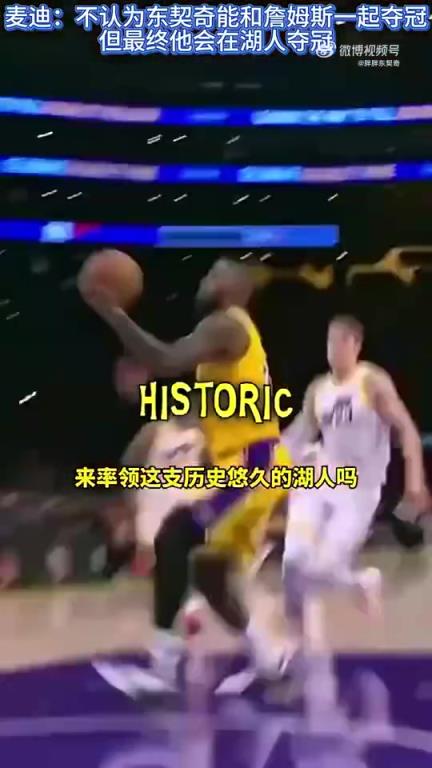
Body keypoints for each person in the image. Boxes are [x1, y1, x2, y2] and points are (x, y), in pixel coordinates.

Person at [83, 256, 292, 688]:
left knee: (174, 537)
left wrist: (113, 313)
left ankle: (162, 668)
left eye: (214, 273)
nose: (204, 280)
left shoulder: (225, 323)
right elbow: (202, 409)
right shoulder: (228, 346)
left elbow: (166, 358)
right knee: (210, 577)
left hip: (252, 468)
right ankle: (272, 659)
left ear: (233, 288)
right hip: (251, 468)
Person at [282, 314, 429, 642]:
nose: (333, 349)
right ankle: (296, 647)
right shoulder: (318, 389)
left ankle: (362, 582)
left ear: (357, 345)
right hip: (319, 478)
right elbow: (299, 434)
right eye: (329, 341)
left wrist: (415, 480)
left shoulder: (371, 381)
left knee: (321, 569)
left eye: (341, 341)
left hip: (360, 490)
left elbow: (406, 429)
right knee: (292, 564)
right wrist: (265, 455)